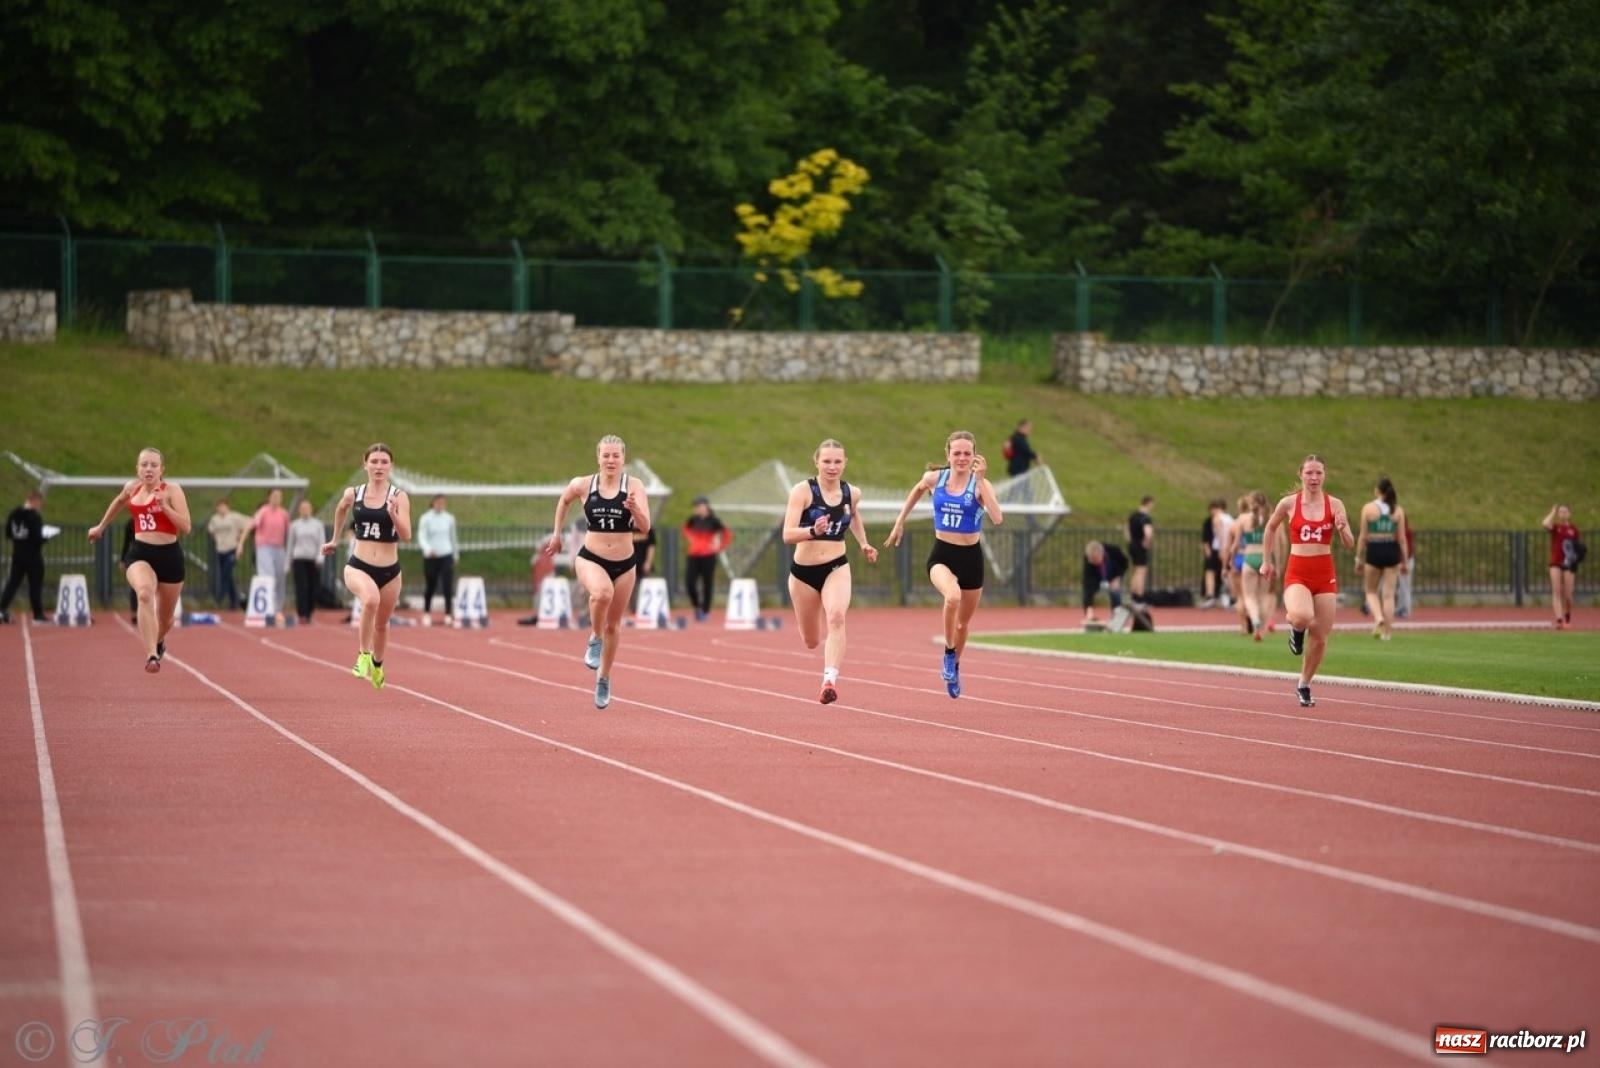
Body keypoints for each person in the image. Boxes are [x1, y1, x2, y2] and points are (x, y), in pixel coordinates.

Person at [885, 431, 1003, 698]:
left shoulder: (980, 484)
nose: (961, 458)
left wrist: (981, 480)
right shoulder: (934, 478)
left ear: (975, 456)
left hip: (971, 558)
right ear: (948, 455)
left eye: (967, 453)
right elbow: (917, 489)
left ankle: (955, 666)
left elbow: (997, 518)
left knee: (963, 625)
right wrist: (900, 521)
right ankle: (949, 654)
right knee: (952, 596)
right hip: (942, 555)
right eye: (956, 453)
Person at [544, 435, 651, 709]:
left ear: (623, 458)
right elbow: (564, 501)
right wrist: (557, 535)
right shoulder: (583, 484)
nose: (611, 460)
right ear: (598, 457)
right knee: (602, 593)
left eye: (616, 455)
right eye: (606, 455)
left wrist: (635, 509)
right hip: (591, 558)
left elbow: (645, 526)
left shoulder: (634, 486)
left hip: (625, 564)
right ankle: (594, 637)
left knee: (614, 625)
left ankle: (603, 677)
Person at [781, 438, 879, 704]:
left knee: (836, 616)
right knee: (811, 640)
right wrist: (813, 531)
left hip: (836, 566)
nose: (832, 467)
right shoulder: (803, 491)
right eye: (826, 461)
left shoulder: (852, 493)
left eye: (837, 461)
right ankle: (821, 659)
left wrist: (864, 543)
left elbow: (854, 515)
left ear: (845, 463)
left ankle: (829, 680)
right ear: (816, 462)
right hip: (803, 573)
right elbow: (787, 535)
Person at [1259, 455, 1355, 708]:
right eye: (1309, 473)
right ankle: (1296, 627)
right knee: (1302, 616)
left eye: (1318, 473)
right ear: (1301, 474)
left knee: (1321, 636)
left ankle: (1304, 683)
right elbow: (1270, 528)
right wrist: (1266, 561)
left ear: (1325, 475)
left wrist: (1342, 528)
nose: (1314, 478)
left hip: (1324, 573)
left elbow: (1349, 543)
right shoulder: (1289, 503)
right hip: (1298, 572)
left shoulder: (1335, 504)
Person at [87, 447, 193, 672]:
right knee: (144, 593)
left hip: (170, 556)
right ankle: (152, 655)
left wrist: (165, 507)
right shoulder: (131, 488)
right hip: (140, 553)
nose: (148, 469)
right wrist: (101, 526)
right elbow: (119, 502)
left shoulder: (172, 490)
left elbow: (186, 526)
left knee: (166, 620)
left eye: (154, 465)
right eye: (144, 465)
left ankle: (159, 641)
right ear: (137, 469)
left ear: (162, 470)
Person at [322, 444, 411, 690]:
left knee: (382, 625)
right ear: (365, 465)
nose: (379, 466)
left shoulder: (399, 496)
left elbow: (406, 535)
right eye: (374, 461)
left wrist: (393, 515)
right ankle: (363, 654)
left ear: (391, 466)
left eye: (384, 462)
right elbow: (341, 509)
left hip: (390, 572)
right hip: (359, 566)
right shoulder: (354, 493)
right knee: (371, 600)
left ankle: (378, 664)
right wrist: (335, 539)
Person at [1355, 477, 1409, 641]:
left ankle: (1378, 617)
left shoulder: (1368, 508)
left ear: (1377, 490)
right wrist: (1405, 561)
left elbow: (1363, 536)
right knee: (1389, 595)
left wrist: (1358, 558)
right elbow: (1402, 538)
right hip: (1391, 549)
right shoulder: (1397, 510)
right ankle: (1387, 633)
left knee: (1370, 591)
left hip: (1375, 549)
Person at [1222, 491, 1274, 640]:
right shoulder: (1271, 518)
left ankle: (1254, 620)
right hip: (1265, 558)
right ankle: (1262, 627)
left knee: (1248, 596)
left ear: (1251, 504)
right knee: (1263, 596)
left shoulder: (1244, 520)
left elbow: (1235, 545)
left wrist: (1230, 561)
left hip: (1249, 558)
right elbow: (1275, 544)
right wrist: (1276, 563)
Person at [240, 488, 290, 622]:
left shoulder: (284, 514)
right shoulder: (263, 511)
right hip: (264, 547)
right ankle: (270, 609)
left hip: (279, 548)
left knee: (280, 578)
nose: (276, 499)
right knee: (269, 576)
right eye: (274, 496)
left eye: (279, 496)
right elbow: (250, 526)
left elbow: (289, 533)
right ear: (269, 498)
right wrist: (241, 544)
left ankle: (278, 609)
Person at [1, 490, 51, 623]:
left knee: (12, 583)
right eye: (40, 503)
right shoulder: (33, 516)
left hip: (17, 554)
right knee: (35, 585)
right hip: (32, 556)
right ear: (35, 501)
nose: (40, 506)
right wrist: (46, 537)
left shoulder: (14, 513)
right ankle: (38, 614)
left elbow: (8, 533)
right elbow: (37, 538)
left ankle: (1, 608)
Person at [682, 496, 732, 622]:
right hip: (693, 555)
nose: (697, 508)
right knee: (689, 583)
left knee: (707, 583)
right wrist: (691, 538)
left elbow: (727, 534)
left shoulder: (714, 521)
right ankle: (697, 606)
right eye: (695, 506)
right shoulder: (693, 519)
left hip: (708, 556)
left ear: (706, 506)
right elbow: (685, 528)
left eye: (699, 506)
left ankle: (705, 610)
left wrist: (719, 546)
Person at [417, 493, 459, 625]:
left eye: (443, 503)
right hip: (431, 556)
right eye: (438, 502)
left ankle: (448, 613)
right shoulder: (425, 518)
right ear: (433, 503)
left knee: (447, 585)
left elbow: (453, 537)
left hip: (446, 554)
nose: (440, 505)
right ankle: (426, 612)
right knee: (431, 585)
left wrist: (455, 554)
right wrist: (428, 549)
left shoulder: (449, 518)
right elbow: (421, 536)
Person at [205, 498, 251, 610]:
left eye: (223, 506)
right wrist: (217, 539)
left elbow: (249, 522)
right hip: (221, 550)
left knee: (226, 573)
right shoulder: (215, 519)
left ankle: (220, 597)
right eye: (219, 507)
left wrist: (240, 537)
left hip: (231, 549)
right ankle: (234, 600)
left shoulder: (234, 517)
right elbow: (210, 530)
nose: (221, 509)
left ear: (227, 507)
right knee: (228, 576)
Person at [1543, 504, 1582, 629]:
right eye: (1560, 512)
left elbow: (1577, 547)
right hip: (1555, 561)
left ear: (1569, 514)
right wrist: (1552, 512)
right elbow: (1545, 523)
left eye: (1565, 511)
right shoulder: (1556, 527)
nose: (1562, 514)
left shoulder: (1573, 530)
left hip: (1569, 563)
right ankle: (1559, 620)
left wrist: (1576, 558)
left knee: (1568, 595)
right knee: (1556, 591)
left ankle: (1567, 617)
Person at [287, 499, 326, 625]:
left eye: (307, 508)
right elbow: (290, 544)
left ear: (311, 509)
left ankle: (310, 612)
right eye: (302, 508)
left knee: (313, 588)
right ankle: (302, 613)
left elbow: (321, 542)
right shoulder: (294, 525)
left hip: (313, 559)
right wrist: (288, 562)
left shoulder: (318, 525)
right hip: (299, 558)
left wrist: (320, 557)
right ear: (299, 510)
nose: (305, 510)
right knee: (301, 587)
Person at [1081, 540, 1129, 627]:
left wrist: (1118, 578)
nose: (1093, 562)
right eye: (1091, 560)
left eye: (1095, 559)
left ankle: (1116, 617)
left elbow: (1125, 563)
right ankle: (1089, 613)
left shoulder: (1113, 550)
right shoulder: (1089, 561)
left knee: (1115, 591)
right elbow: (1087, 584)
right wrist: (1088, 610)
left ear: (1101, 554)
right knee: (1089, 591)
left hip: (1113, 573)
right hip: (1096, 576)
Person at [1199, 498, 1232, 609]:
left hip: (1219, 548)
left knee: (1215, 572)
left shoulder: (1217, 518)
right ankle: (1230, 596)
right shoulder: (1229, 518)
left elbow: (1219, 534)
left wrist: (1222, 548)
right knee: (1227, 572)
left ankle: (1214, 595)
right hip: (1228, 548)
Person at [1127, 495, 1155, 600]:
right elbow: (1148, 532)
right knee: (1141, 570)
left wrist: (1130, 540)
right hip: (1140, 545)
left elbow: (1126, 528)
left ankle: (1132, 594)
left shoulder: (1133, 516)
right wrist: (1146, 542)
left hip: (1132, 544)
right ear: (1149, 504)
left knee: (1136, 570)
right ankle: (1139, 595)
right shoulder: (1145, 518)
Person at [1395, 519, 1417, 619]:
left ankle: (1406, 610)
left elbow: (1407, 547)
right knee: (1402, 586)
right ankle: (1401, 608)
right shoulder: (1408, 531)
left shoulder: (1403, 532)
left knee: (1405, 587)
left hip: (1405, 560)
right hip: (1406, 560)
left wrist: (1404, 562)